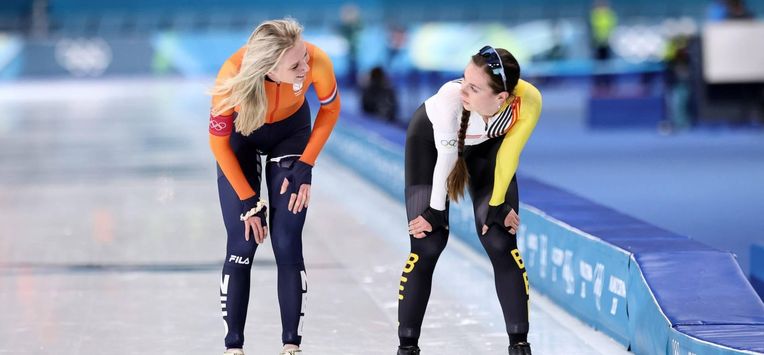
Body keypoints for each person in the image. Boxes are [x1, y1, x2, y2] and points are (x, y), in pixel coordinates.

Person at [397, 46, 542, 355]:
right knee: (427, 243)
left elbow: (509, 153)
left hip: (486, 154)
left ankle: (520, 345)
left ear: (501, 99)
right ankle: (407, 347)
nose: (463, 88)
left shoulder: (528, 101)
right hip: (430, 148)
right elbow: (447, 157)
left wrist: (498, 204)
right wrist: (435, 212)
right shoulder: (451, 99)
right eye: (464, 78)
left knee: (501, 239)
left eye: (474, 87)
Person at [208, 18, 340, 355]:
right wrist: (249, 200)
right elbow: (220, 146)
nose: (306, 66)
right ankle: (233, 347)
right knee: (243, 241)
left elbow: (331, 108)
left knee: (286, 239)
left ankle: (291, 345)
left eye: (305, 58)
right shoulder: (231, 76)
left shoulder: (316, 59)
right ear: (268, 66)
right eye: (296, 65)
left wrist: (307, 164)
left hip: (291, 135)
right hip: (242, 139)